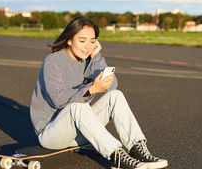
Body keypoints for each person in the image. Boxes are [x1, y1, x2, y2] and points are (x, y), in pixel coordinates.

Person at [30, 17, 168, 169]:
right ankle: (117, 157)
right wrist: (91, 90)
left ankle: (137, 149)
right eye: (82, 41)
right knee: (78, 106)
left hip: (79, 131)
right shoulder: (53, 61)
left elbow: (112, 85)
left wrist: (96, 56)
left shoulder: (89, 60)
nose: (87, 47)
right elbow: (58, 99)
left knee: (116, 96)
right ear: (69, 40)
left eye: (92, 41)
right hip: (51, 134)